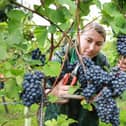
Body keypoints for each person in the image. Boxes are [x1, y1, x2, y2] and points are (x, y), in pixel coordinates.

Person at [44, 22, 126, 126]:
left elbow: (109, 87)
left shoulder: (101, 61)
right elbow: (40, 88)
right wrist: (52, 93)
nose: (92, 47)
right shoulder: (61, 57)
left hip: (87, 121)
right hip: (58, 118)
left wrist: (119, 74)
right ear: (78, 37)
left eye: (98, 44)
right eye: (89, 40)